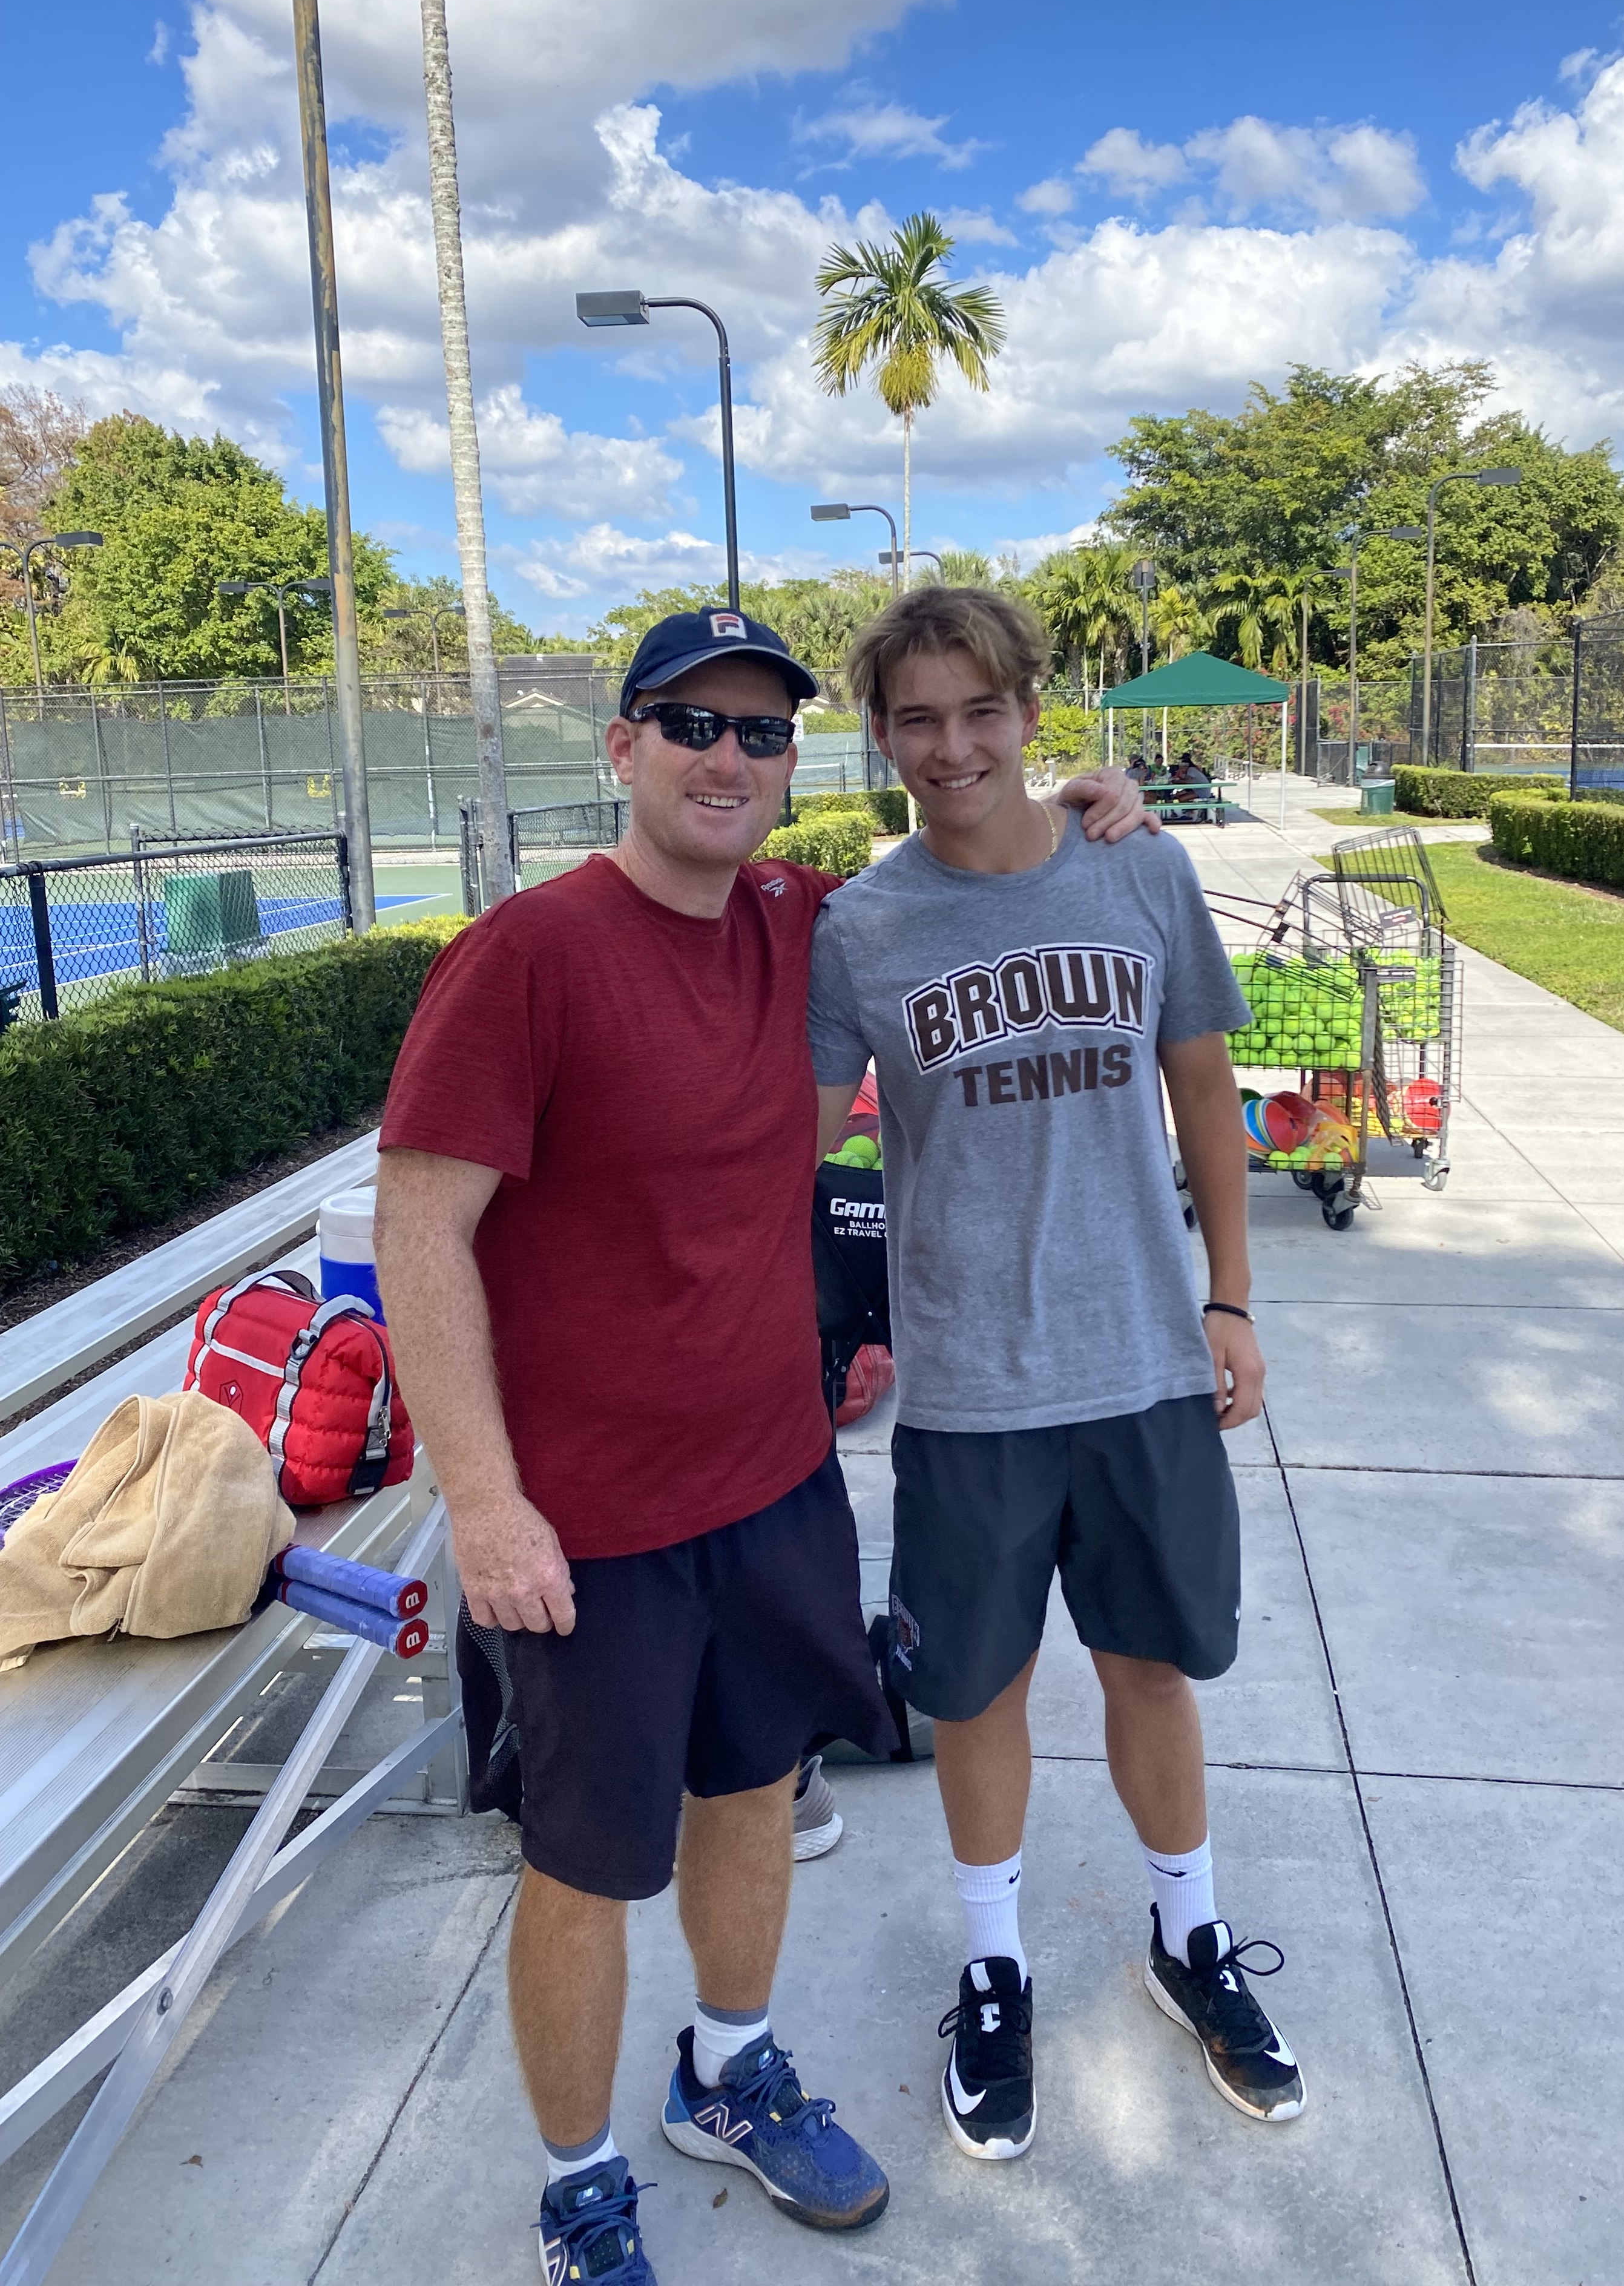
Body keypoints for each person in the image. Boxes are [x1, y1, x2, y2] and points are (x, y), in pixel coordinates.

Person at [372, 605, 1151, 2286]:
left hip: (776, 1479)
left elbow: (965, 854)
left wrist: (1096, 807)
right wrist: (487, 1500)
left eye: (762, 732)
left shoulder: (806, 921)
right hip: (583, 1524)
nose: (729, 758)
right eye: (691, 725)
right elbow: (419, 1235)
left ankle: (727, 2073)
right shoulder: (523, 959)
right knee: (584, 1866)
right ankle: (579, 2186)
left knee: (753, 1792)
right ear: (624, 749)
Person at [806, 585, 1304, 2173]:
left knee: (1151, 1670)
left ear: (1030, 710)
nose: (950, 746)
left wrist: (1230, 1298)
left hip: (1148, 1362)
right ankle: (996, 1968)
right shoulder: (860, 930)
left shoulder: (1139, 867)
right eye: (916, 718)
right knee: (978, 1691)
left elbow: (1207, 1091)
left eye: (978, 710)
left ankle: (1189, 1938)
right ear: (880, 734)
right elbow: (790, 1143)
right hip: (967, 1390)